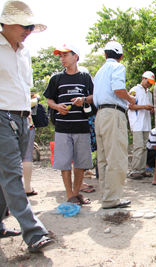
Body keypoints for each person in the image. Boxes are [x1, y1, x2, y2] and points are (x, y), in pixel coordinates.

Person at [0, 0, 54, 253]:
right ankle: (33, 234)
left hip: (23, 117)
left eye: (32, 27)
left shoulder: (24, 52)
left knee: (5, 174)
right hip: (1, 117)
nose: (29, 31)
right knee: (13, 173)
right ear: (7, 23)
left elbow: (24, 87)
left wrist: (29, 115)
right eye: (25, 26)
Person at [44, 44, 93, 206]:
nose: (62, 58)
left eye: (65, 55)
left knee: (81, 163)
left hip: (82, 127)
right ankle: (69, 194)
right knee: (64, 163)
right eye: (61, 56)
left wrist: (83, 100)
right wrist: (57, 107)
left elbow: (94, 96)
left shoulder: (85, 77)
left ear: (76, 57)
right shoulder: (56, 78)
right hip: (63, 128)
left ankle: (76, 193)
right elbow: (49, 99)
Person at [93, 41, 136, 209]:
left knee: (103, 159)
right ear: (121, 56)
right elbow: (118, 90)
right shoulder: (118, 67)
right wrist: (130, 99)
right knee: (117, 158)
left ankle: (106, 196)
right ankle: (112, 200)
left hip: (100, 114)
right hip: (113, 114)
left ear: (105, 55)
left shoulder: (99, 71)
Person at [127, 71, 155, 179]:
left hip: (146, 123)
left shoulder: (149, 93)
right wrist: (144, 107)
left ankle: (142, 169)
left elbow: (148, 107)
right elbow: (130, 106)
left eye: (151, 83)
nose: (149, 84)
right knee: (138, 146)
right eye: (148, 82)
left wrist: (151, 109)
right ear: (143, 78)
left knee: (144, 147)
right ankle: (134, 170)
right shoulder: (135, 90)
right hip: (137, 122)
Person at [23, 92, 41, 196]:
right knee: (27, 157)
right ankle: (27, 187)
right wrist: (37, 97)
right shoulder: (23, 96)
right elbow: (33, 102)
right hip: (27, 125)